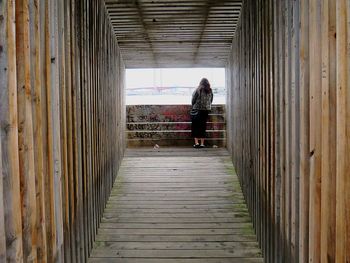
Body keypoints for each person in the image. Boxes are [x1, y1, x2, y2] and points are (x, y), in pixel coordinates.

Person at [191, 78, 213, 148]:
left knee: (195, 126)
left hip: (197, 110)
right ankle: (202, 144)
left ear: (200, 83)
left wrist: (194, 106)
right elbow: (211, 101)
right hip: (205, 111)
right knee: (203, 126)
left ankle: (197, 143)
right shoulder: (210, 90)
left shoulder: (198, 90)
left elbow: (193, 100)